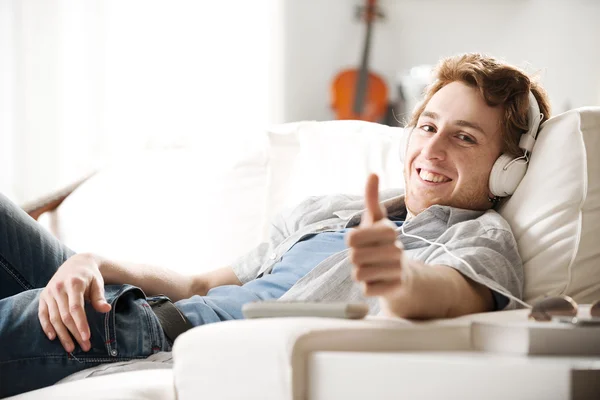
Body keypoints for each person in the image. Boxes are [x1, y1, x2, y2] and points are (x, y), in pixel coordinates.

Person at [0, 52, 551, 397]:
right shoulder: (334, 209)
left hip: (144, 334)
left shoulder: (479, 237)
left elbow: (452, 295)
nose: (432, 148)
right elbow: (199, 284)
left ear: (506, 171)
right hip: (136, 299)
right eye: (427, 126)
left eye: (465, 136)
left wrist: (398, 278)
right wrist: (91, 260)